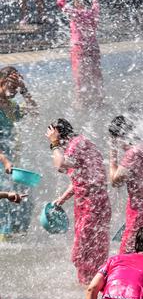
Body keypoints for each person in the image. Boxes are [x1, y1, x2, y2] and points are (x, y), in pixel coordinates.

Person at [46, 118, 111, 286]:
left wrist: (54, 144)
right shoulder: (81, 143)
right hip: (90, 203)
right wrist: (62, 199)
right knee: (90, 249)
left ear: (58, 133)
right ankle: (89, 287)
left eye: (51, 135)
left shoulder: (77, 144)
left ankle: (92, 288)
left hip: (92, 205)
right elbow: (80, 178)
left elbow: (60, 164)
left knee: (84, 250)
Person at [108, 116, 143, 254]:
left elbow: (115, 181)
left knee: (128, 253)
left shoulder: (133, 153)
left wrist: (112, 153)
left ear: (119, 136)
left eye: (114, 139)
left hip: (140, 210)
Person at [56, 0, 103, 108]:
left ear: (77, 2)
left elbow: (60, 2)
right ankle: (99, 101)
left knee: (79, 77)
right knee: (96, 74)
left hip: (79, 48)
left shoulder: (74, 13)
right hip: (93, 46)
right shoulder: (93, 12)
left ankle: (80, 103)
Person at [0, 67, 37, 239]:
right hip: (3, 160)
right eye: (13, 87)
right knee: (5, 199)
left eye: (17, 88)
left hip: (12, 160)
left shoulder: (11, 105)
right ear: (2, 82)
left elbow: (34, 111)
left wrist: (25, 90)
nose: (15, 91)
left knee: (25, 198)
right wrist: (5, 160)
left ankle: (18, 236)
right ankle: (4, 236)